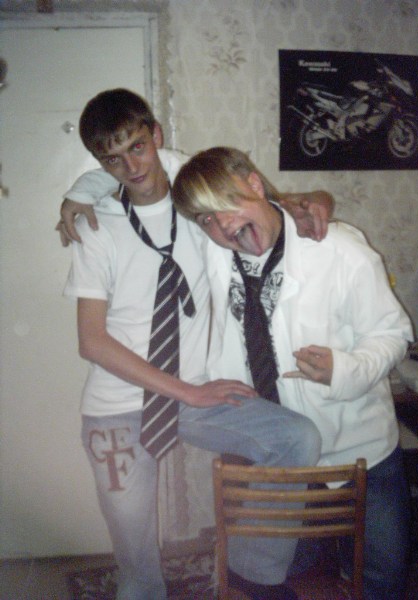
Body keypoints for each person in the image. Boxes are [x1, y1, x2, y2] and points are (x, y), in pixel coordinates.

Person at [63, 89, 325, 600]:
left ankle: (252, 574)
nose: (131, 167)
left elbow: (251, 198)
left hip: (195, 393)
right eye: (112, 160)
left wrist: (308, 202)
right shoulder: (97, 226)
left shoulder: (196, 203)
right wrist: (188, 391)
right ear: (99, 164)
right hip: (119, 405)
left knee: (296, 438)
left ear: (157, 136)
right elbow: (91, 342)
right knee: (138, 572)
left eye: (138, 147)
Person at [172, 146, 414, 600]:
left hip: (356, 447)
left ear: (255, 184)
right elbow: (152, 172)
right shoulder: (213, 252)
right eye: (206, 219)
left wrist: (344, 368)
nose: (222, 224)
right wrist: (82, 192)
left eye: (227, 202)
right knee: (285, 572)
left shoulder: (339, 250)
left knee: (382, 574)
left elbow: (394, 333)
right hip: (276, 451)